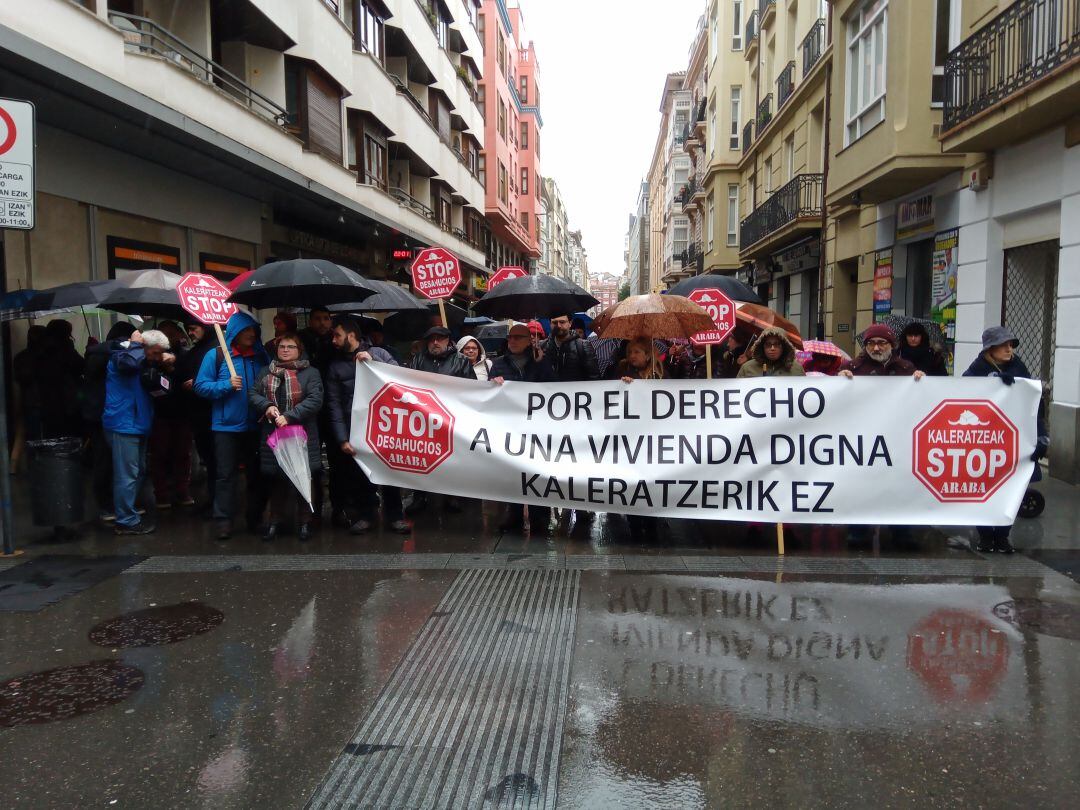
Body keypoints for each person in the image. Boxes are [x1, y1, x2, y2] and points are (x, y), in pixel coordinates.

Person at [963, 326, 1049, 554]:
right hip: (984, 442)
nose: (1009, 349)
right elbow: (963, 396)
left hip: (1014, 440)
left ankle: (1003, 537)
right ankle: (985, 537)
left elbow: (1034, 405)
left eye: (1011, 345)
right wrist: (993, 387)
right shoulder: (976, 370)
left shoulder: (1019, 368)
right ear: (990, 349)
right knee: (982, 490)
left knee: (1012, 489)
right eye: (1004, 345)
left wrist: (1041, 435)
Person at [325, 316, 408, 534]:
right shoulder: (335, 366)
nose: (333, 339)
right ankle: (367, 515)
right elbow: (333, 404)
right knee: (360, 475)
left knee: (389, 472)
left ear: (351, 335)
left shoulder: (379, 353)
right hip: (356, 429)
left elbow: (399, 378)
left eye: (337, 335)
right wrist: (342, 438)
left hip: (383, 425)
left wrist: (372, 361)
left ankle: (395, 516)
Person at [194, 311, 269, 540]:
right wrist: (226, 385)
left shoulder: (260, 357)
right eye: (245, 330)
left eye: (253, 330)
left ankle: (254, 519)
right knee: (225, 475)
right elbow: (201, 386)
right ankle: (223, 520)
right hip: (225, 427)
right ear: (235, 332)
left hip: (255, 426)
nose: (250, 334)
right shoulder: (215, 356)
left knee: (257, 475)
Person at [249, 333, 324, 542]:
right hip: (274, 434)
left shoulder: (311, 373)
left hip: (302, 434)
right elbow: (253, 394)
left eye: (290, 346)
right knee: (276, 480)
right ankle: (274, 521)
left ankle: (305, 522)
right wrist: (268, 407)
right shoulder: (266, 371)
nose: (285, 350)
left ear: (299, 350)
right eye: (282, 346)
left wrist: (289, 416)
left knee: (303, 477)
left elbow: (315, 400)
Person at [102, 329, 174, 535]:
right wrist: (135, 344)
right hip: (123, 423)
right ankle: (125, 520)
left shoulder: (141, 358)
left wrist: (164, 360)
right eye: (155, 353)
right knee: (127, 474)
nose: (158, 358)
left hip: (137, 422)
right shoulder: (123, 355)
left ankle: (128, 512)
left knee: (137, 471)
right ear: (143, 347)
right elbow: (129, 364)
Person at [491, 322, 556, 533]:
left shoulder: (541, 360)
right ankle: (514, 513)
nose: (513, 341)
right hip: (512, 427)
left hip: (538, 427)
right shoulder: (499, 363)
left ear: (530, 340)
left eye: (518, 337)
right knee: (514, 471)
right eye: (510, 337)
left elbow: (552, 387)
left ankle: (540, 515)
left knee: (538, 471)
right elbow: (489, 393)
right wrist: (493, 382)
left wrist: (541, 363)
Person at [148, 321, 193, 509]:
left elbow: (187, 376)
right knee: (160, 454)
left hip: (182, 411)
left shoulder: (184, 356)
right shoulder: (152, 358)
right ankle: (162, 493)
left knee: (182, 453)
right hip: (160, 412)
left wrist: (173, 368)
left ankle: (182, 490)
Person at [178, 320, 219, 514]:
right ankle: (213, 500)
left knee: (217, 462)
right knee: (209, 460)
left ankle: (218, 502)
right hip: (198, 415)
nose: (190, 332)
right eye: (189, 329)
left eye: (194, 328)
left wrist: (200, 382)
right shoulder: (195, 351)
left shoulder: (217, 350)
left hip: (213, 414)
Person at [838, 324, 925, 378]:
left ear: (892, 345)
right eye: (871, 343)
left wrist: (920, 379)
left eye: (881, 343)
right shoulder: (852, 368)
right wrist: (839, 378)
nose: (876, 348)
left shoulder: (906, 368)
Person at [542, 314, 600, 382]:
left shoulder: (583, 345)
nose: (558, 326)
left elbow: (594, 379)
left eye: (562, 322)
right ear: (550, 324)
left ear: (570, 323)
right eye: (554, 323)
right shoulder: (542, 346)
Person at [408, 326, 477, 378]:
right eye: (432, 339)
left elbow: (470, 387)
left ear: (447, 340)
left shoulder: (461, 361)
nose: (435, 342)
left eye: (439, 338)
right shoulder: (418, 359)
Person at [736, 328, 806, 378]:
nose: (772, 348)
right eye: (768, 344)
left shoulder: (796, 369)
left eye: (777, 344)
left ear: (784, 346)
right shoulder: (747, 368)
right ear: (762, 347)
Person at [300, 306, 336, 376]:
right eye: (317, 319)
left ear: (331, 322)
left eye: (326, 318)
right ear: (310, 322)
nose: (322, 322)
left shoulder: (337, 337)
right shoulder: (300, 338)